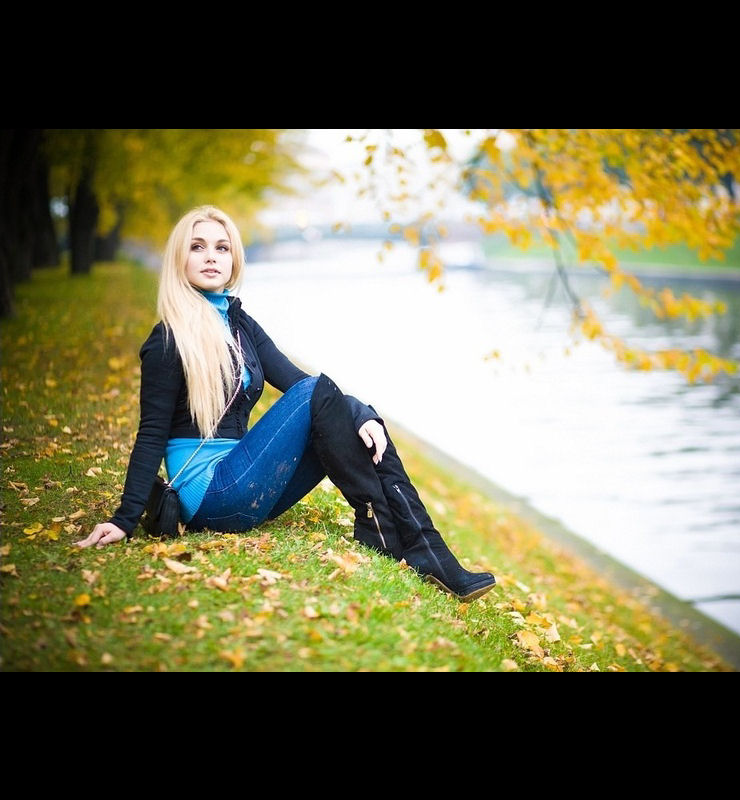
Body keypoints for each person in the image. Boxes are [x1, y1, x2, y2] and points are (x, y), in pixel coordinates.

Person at [77, 206, 495, 602]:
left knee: (346, 416)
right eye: (197, 246)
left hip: (248, 489)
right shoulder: (168, 339)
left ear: (234, 260)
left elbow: (299, 384)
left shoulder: (239, 324)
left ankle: (421, 548)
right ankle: (395, 535)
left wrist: (364, 415)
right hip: (211, 493)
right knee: (321, 395)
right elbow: (151, 433)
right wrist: (124, 519)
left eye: (222, 247)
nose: (211, 256)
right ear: (179, 258)